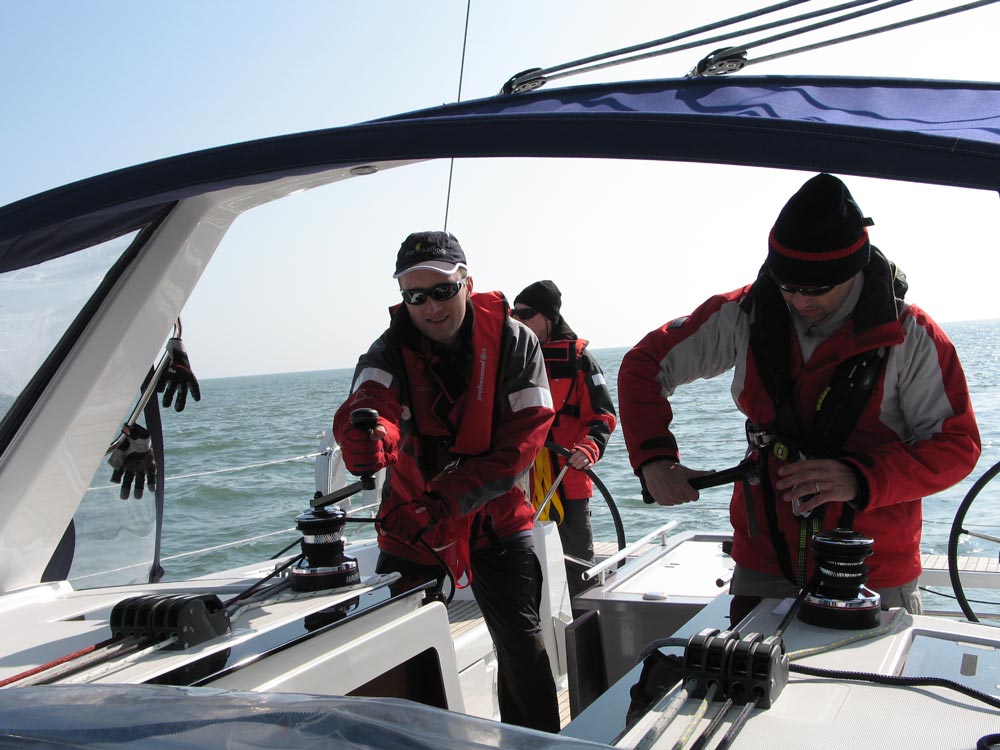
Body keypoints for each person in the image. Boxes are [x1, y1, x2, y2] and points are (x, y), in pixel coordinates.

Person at [618, 173, 981, 622]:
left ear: (854, 271)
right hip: (763, 560)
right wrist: (654, 459)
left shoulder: (912, 335)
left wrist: (859, 478)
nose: (799, 301)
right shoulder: (744, 313)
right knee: (744, 667)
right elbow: (643, 365)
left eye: (816, 290)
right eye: (787, 285)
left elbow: (956, 446)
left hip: (874, 569)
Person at [332, 230, 561, 732]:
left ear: (467, 284)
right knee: (398, 651)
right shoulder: (387, 350)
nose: (431, 307)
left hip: (496, 519)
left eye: (442, 290)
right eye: (415, 296)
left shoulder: (516, 343)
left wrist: (447, 499)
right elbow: (370, 401)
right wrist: (366, 437)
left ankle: (533, 744)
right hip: (412, 523)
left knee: (523, 647)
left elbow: (522, 443)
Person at [512, 280, 617, 601]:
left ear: (549, 317)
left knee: (577, 565)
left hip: (567, 481)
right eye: (514, 314)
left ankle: (581, 616)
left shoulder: (581, 361)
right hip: (520, 484)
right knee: (521, 564)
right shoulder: (512, 359)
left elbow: (604, 416)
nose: (518, 320)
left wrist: (589, 447)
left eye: (526, 314)